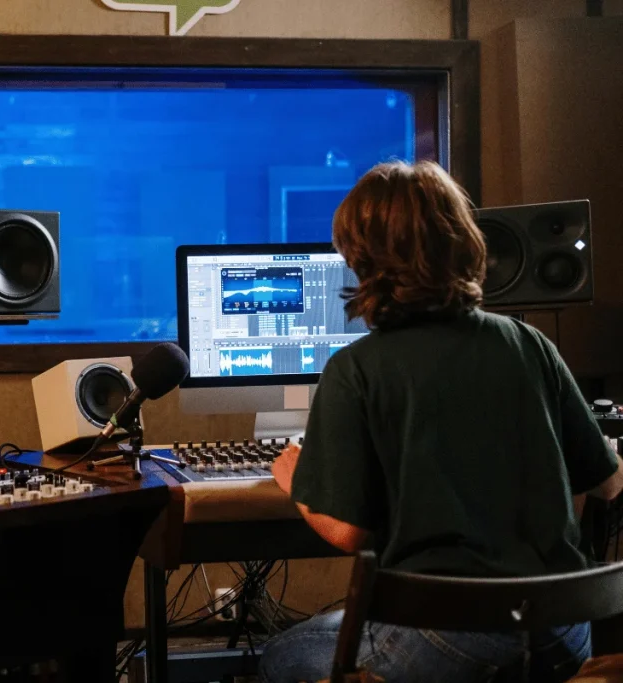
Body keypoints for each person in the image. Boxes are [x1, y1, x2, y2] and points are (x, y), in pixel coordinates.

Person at [259, 160, 623, 683]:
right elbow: (609, 484)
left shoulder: (356, 369)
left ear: (361, 260)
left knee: (283, 655)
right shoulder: (530, 343)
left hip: (448, 642)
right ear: (464, 242)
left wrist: (297, 485)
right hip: (562, 633)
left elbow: (350, 532)